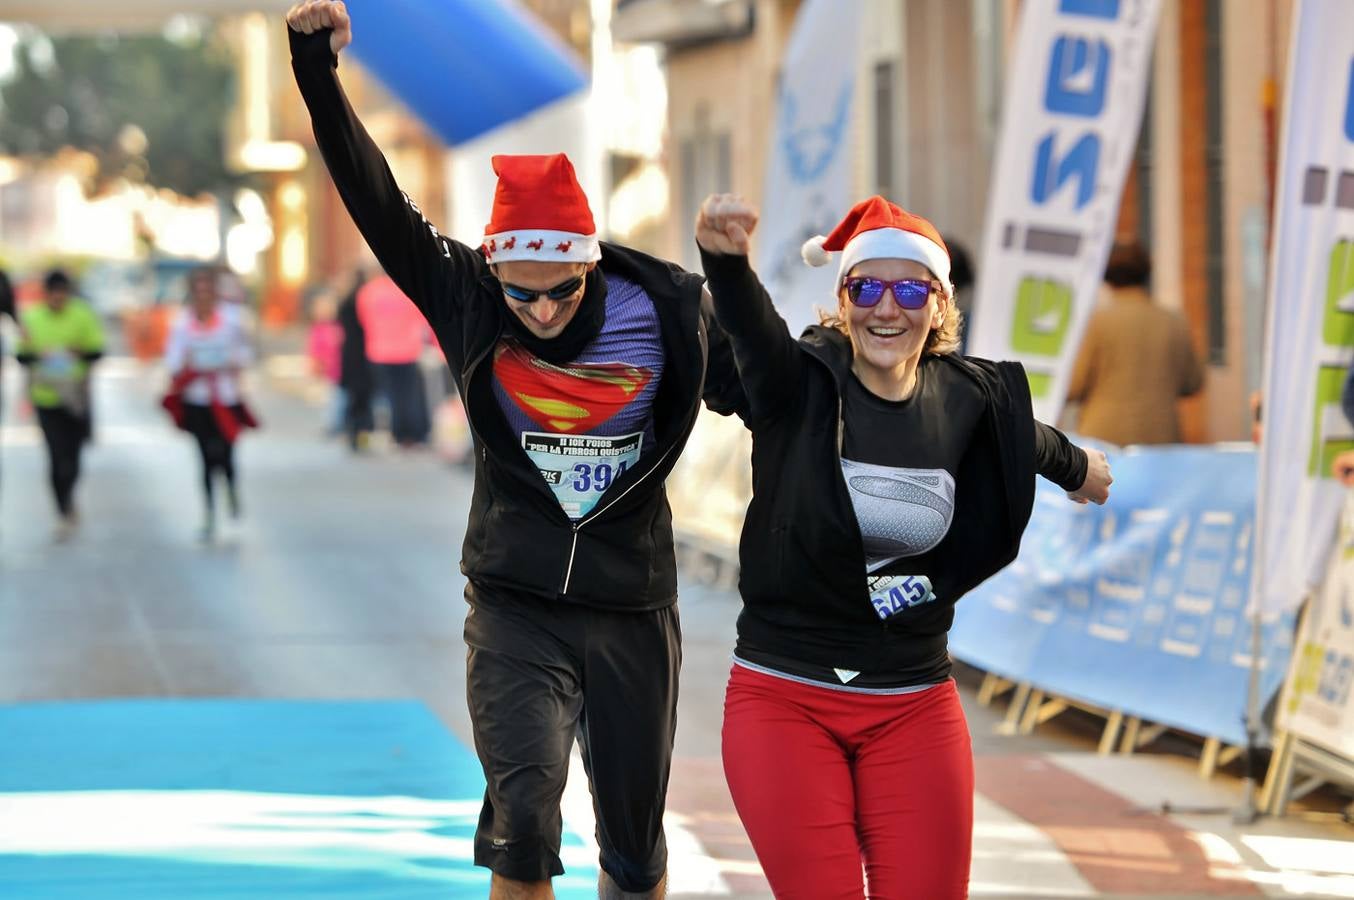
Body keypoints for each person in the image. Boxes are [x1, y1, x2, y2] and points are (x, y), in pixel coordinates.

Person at [285, 4, 741, 897]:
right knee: (524, 824)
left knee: (633, 853)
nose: (539, 314)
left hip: (630, 607)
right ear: (494, 267)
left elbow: (772, 392)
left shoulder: (670, 310)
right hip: (514, 601)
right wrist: (316, 73)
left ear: (592, 264)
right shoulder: (467, 296)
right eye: (520, 295)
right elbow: (373, 197)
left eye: (560, 294)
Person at [694, 193, 1113, 899]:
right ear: (843, 298)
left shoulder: (962, 394)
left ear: (939, 303)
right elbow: (754, 334)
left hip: (913, 700)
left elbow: (1016, 433)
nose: (887, 308)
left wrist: (1077, 467)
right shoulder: (799, 386)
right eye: (867, 288)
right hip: (786, 696)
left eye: (910, 288)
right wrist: (727, 266)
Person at [1066, 242, 1204, 445]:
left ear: (1106, 275)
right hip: (1162, 437)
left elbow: (1075, 385)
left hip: (1104, 436)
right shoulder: (1174, 321)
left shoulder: (1096, 322)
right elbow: (1193, 382)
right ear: (1146, 272)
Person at [161, 266, 257, 541]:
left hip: (225, 397)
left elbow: (246, 354)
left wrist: (231, 362)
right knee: (203, 456)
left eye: (208, 291)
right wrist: (187, 364)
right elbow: (172, 360)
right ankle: (209, 513)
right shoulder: (181, 324)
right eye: (198, 291)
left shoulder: (232, 321)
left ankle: (231, 490)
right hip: (197, 399)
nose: (203, 297)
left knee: (226, 452)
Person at [14, 269, 106, 539]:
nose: (57, 298)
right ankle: (62, 509)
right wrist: (38, 355)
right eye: (53, 294)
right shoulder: (32, 318)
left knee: (74, 455)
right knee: (55, 456)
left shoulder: (83, 314)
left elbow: (97, 351)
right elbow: (21, 356)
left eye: (62, 293)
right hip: (46, 396)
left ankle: (69, 496)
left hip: (75, 397)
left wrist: (77, 352)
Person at [356, 270, 431, 447]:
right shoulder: (408, 289)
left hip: (379, 350)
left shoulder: (368, 291)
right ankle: (412, 435)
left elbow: (363, 319)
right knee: (409, 395)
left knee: (389, 395)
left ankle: (395, 433)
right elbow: (422, 319)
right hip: (408, 350)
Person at [336, 269, 375, 452]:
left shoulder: (345, 301)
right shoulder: (366, 299)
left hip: (349, 351)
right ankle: (361, 434)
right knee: (364, 398)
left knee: (353, 396)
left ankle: (351, 433)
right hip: (365, 351)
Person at [306, 288, 346, 435]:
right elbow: (314, 351)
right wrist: (315, 367)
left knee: (340, 399)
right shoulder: (317, 329)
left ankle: (339, 422)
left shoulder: (338, 326)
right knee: (330, 400)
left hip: (340, 369)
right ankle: (332, 424)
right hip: (327, 370)